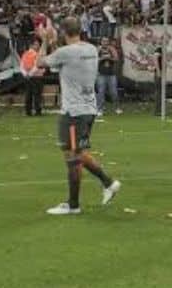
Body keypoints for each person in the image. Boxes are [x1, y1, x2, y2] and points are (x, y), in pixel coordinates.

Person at [38, 18, 122, 216]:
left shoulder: (65, 53)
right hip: (88, 110)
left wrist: (44, 41)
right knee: (78, 152)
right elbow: (63, 59)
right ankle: (108, 183)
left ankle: (73, 205)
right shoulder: (90, 49)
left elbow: (40, 63)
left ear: (63, 32)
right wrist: (53, 42)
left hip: (73, 112)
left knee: (72, 157)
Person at [95, 36, 120, 115]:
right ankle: (100, 109)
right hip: (101, 74)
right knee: (101, 92)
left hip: (111, 74)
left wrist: (110, 58)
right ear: (101, 42)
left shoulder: (111, 49)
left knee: (114, 92)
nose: (105, 43)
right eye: (103, 41)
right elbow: (94, 60)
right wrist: (102, 58)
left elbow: (116, 59)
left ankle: (117, 107)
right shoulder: (98, 49)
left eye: (106, 41)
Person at [20, 40, 43, 117]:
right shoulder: (37, 55)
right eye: (36, 45)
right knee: (37, 94)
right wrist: (30, 74)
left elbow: (21, 66)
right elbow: (37, 66)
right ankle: (37, 111)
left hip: (27, 77)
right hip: (36, 76)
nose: (38, 46)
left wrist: (25, 74)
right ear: (31, 45)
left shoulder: (25, 54)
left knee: (28, 94)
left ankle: (28, 111)